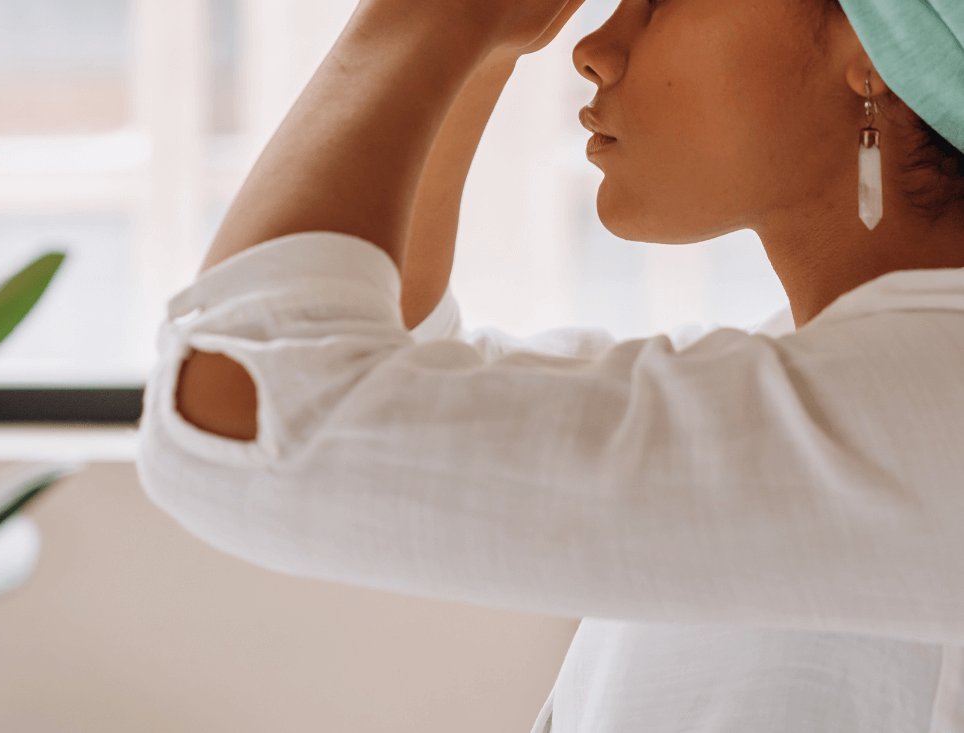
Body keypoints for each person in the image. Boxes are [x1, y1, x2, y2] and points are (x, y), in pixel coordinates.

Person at [135, 0, 964, 730]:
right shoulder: (857, 378)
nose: (594, 46)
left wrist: (434, 15)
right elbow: (397, 364)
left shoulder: (928, 415)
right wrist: (494, 44)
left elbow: (244, 409)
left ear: (869, 49)